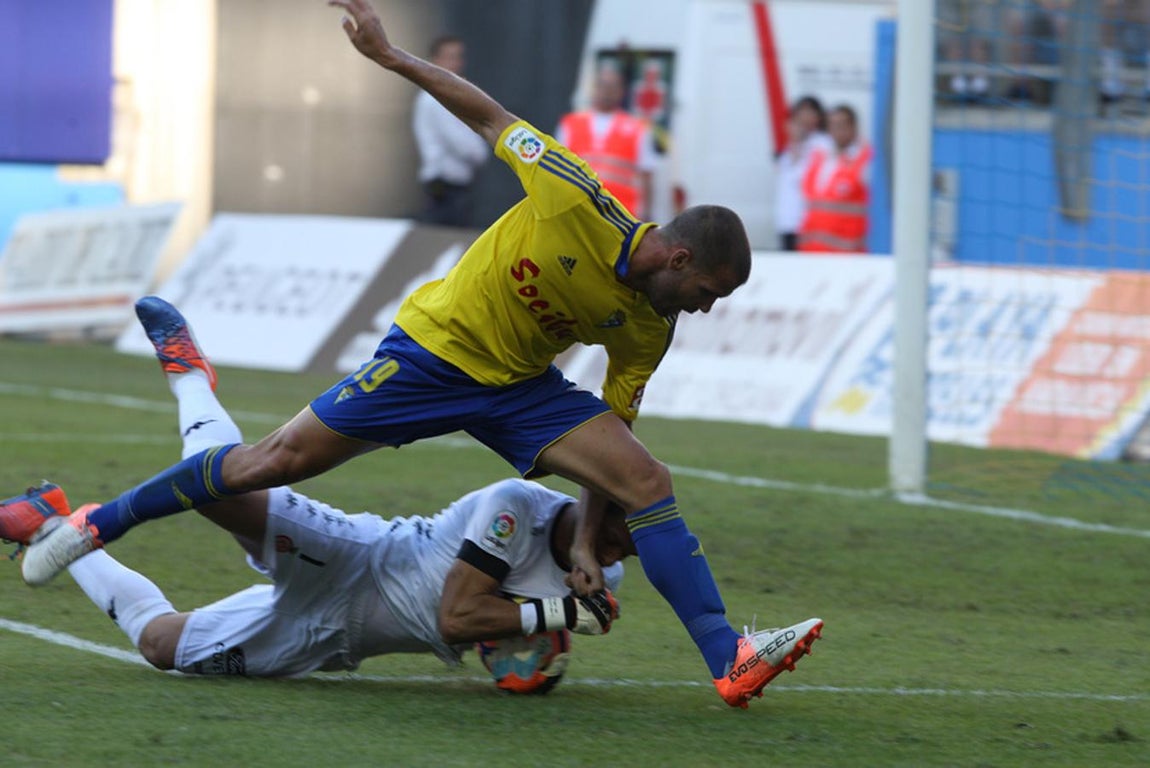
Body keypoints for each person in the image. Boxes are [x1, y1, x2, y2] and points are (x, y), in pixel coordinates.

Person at [21, 0, 822, 709]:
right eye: (710, 290)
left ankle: (731, 658)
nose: (708, 308)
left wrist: (583, 541)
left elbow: (614, 435)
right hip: (436, 354)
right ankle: (99, 524)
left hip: (519, 389)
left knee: (647, 478)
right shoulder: (575, 197)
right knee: (270, 464)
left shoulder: (651, 324)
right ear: (679, 260)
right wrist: (390, 56)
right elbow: (485, 114)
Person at [1, 306, 628, 679]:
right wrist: (559, 617)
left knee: (160, 646)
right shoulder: (516, 506)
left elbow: (502, 634)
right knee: (213, 480)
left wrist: (530, 658)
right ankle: (191, 374)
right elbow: (456, 616)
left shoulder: (604, 577)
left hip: (336, 637)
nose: (636, 542)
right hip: (352, 554)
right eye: (635, 523)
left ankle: (51, 523)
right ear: (600, 503)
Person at [556, 64, 659, 219]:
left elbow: (646, 177)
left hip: (621, 217)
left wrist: (645, 218)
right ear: (595, 88)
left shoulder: (637, 129)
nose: (606, 92)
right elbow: (558, 170)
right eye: (603, 85)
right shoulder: (570, 124)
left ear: (621, 91)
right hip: (578, 213)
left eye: (612, 87)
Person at [412, 35, 489, 227]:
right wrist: (481, 152)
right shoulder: (435, 99)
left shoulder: (448, 97)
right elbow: (464, 145)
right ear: (435, 60)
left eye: (458, 57)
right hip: (445, 191)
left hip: (457, 189)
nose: (456, 63)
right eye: (450, 57)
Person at [798, 104, 873, 254]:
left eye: (841, 125)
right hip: (811, 250)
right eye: (831, 125)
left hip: (846, 254)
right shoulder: (820, 157)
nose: (835, 131)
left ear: (853, 127)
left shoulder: (865, 161)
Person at [773, 96, 830, 251]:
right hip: (787, 219)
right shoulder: (790, 147)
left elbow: (805, 178)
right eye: (800, 113)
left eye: (809, 113)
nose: (804, 118)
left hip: (806, 220)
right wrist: (795, 143)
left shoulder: (823, 144)